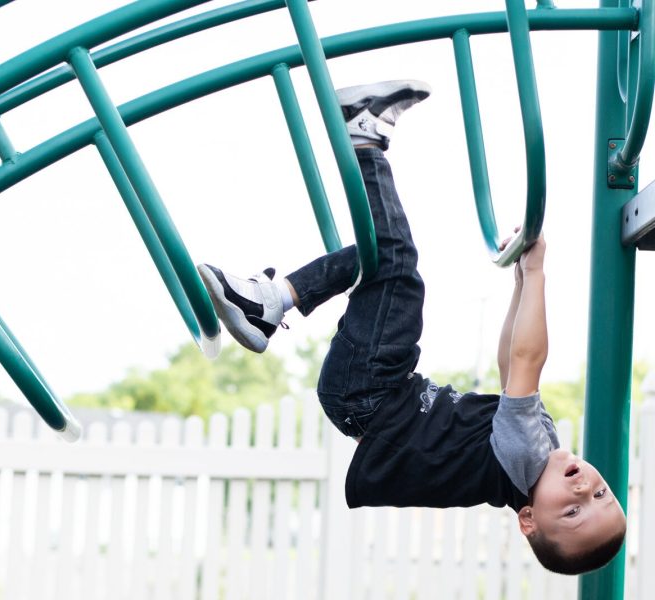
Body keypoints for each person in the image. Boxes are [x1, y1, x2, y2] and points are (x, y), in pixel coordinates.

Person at [197, 80, 627, 575]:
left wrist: (535, 272)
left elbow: (528, 361)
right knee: (380, 259)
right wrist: (518, 286)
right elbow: (509, 361)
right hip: (368, 399)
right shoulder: (526, 457)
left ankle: (362, 139)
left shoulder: (526, 457)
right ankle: (269, 300)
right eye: (600, 492)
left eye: (573, 510)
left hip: (373, 394)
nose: (583, 489)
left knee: (397, 268)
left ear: (527, 519)